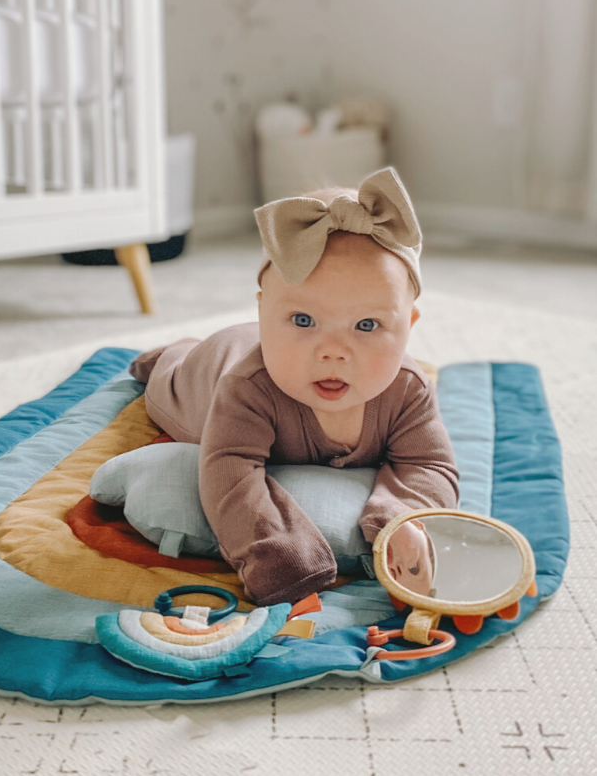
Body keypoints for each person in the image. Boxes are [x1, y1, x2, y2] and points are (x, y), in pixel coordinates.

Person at [129, 167, 459, 606]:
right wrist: (284, 564)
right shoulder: (245, 390)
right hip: (209, 371)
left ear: (408, 327)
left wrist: (401, 521)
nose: (333, 351)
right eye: (303, 320)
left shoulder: (408, 389)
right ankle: (168, 354)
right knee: (173, 371)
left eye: (366, 325)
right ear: (264, 311)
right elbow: (231, 482)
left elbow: (430, 466)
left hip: (260, 348)